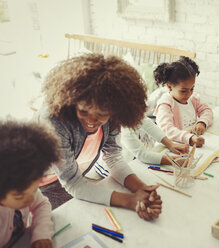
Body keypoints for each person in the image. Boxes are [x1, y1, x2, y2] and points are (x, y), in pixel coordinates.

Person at [37, 53, 161, 220]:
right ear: (73, 101)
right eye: (83, 111)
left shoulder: (113, 116)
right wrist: (130, 200)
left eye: (102, 114)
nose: (91, 120)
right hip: (41, 182)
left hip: (74, 175)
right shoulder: (54, 120)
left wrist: (142, 189)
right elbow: (73, 182)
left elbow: (113, 157)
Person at [0, 120, 60, 248]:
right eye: (19, 196)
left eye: (34, 189)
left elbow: (42, 204)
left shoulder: (22, 185)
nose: (31, 199)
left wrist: (41, 234)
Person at [153, 56, 213, 147]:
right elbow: (167, 130)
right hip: (171, 146)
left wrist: (202, 122)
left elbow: (207, 110)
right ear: (169, 87)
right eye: (183, 91)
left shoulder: (193, 98)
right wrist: (189, 138)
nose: (189, 94)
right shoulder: (165, 104)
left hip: (191, 142)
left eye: (192, 88)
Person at [120, 117, 189, 165]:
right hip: (125, 162)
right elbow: (142, 155)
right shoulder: (124, 130)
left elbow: (146, 122)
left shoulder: (133, 114)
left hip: (134, 157)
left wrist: (170, 144)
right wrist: (174, 160)